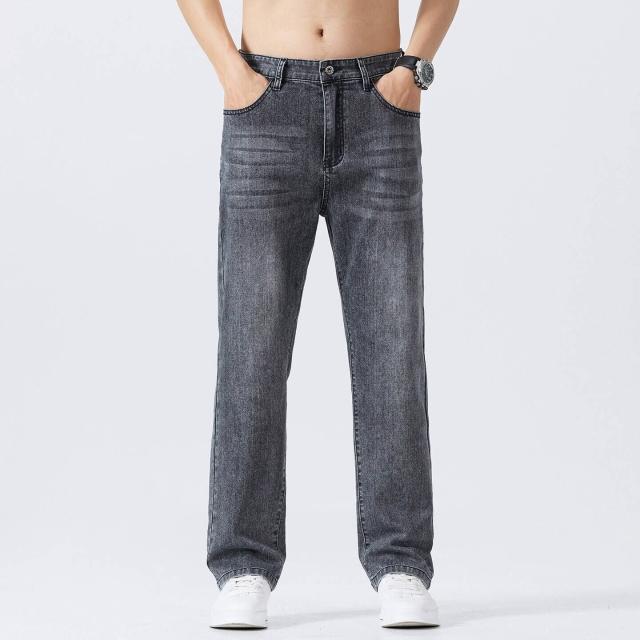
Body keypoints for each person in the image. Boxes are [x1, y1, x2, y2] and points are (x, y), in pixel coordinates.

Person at [176, 0, 459, 629]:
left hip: (379, 103)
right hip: (265, 103)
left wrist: (414, 68)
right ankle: (243, 563)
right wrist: (231, 72)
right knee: (252, 345)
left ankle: (401, 562)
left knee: (392, 345)